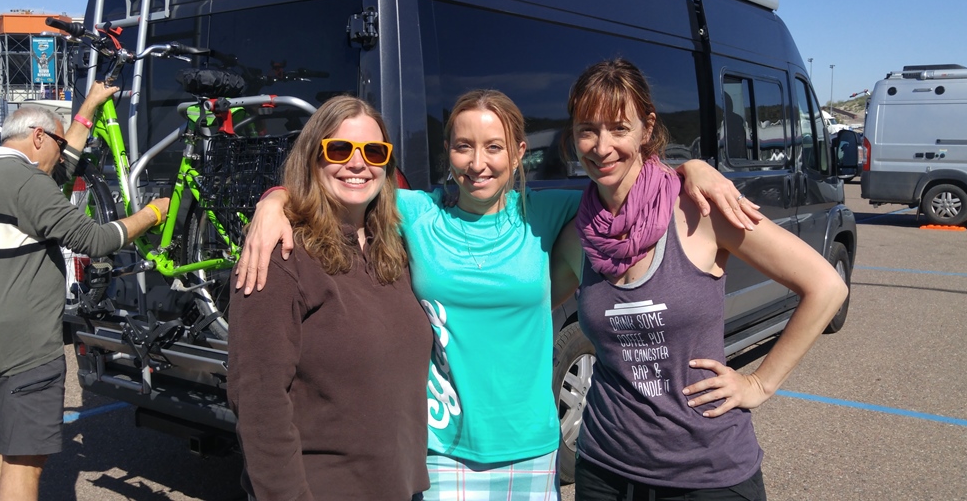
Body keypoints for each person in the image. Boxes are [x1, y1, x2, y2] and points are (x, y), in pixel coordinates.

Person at [237, 88, 758, 499]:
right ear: (448, 152)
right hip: (442, 449)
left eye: (494, 147)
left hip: (530, 446)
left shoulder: (550, 211)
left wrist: (691, 169)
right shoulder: (414, 212)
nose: (478, 162)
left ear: (519, 153)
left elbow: (625, 181)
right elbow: (345, 185)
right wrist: (274, 201)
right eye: (463, 146)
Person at [559, 58, 848, 500]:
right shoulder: (580, 233)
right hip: (605, 467)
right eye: (587, 130)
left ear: (646, 129)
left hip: (706, 473)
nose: (602, 146)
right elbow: (525, 305)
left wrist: (759, 383)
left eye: (619, 128)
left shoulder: (702, 209)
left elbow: (826, 286)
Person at [0, 83, 170, 501]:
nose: (63, 157)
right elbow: (95, 240)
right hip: (23, 350)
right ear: (38, 137)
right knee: (25, 461)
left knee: (0, 448)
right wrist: (154, 213)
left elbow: (59, 170)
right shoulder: (26, 185)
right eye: (58, 146)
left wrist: (88, 108)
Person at [226, 96, 431, 501]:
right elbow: (259, 401)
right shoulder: (281, 257)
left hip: (400, 489)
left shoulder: (393, 250)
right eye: (338, 149)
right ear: (311, 159)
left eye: (374, 152)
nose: (357, 164)